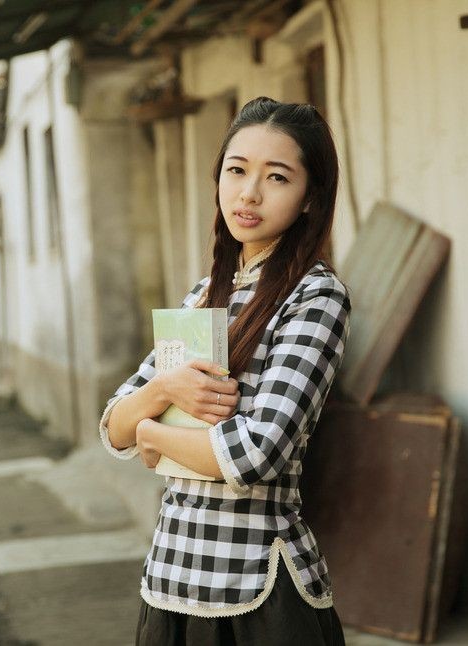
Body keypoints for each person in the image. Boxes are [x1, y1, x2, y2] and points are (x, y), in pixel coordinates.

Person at [100, 96, 351, 645]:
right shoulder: (204, 297)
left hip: (259, 589)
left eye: (277, 177)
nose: (249, 193)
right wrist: (162, 389)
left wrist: (152, 431)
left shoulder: (316, 295)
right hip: (171, 579)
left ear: (311, 197)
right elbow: (112, 428)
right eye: (237, 170)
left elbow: (255, 454)